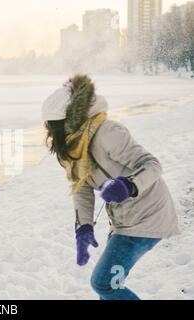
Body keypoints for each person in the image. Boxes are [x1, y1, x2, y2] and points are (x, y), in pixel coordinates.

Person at [41, 74, 180, 300]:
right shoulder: (72, 146)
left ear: (69, 121)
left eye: (54, 127)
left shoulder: (107, 133)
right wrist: (84, 227)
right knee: (109, 289)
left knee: (104, 283)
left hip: (149, 216)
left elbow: (152, 165)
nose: (50, 133)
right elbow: (81, 186)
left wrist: (129, 185)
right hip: (124, 220)